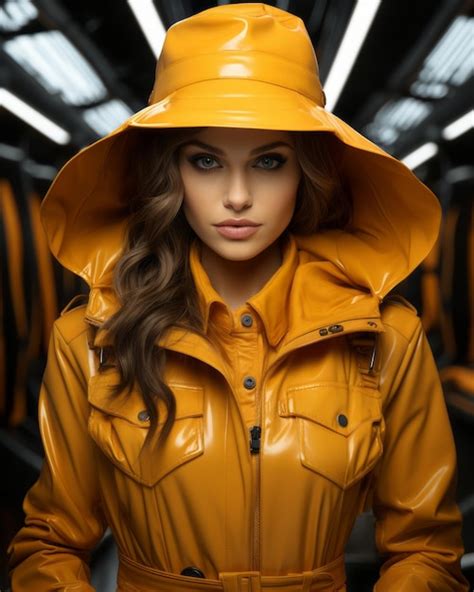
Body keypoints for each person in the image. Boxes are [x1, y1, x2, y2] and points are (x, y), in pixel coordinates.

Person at [7, 3, 469, 591]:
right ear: (169, 174)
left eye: (269, 162)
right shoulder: (93, 339)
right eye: (205, 161)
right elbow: (49, 543)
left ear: (307, 173)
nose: (238, 196)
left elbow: (426, 551)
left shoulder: (384, 338)